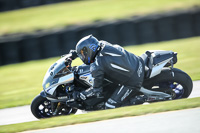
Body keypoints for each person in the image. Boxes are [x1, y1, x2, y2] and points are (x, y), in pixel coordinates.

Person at [68, 35, 146, 109]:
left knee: (110, 105)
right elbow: (92, 47)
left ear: (89, 50)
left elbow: (97, 91)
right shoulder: (103, 44)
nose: (83, 57)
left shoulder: (98, 66)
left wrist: (81, 95)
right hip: (138, 62)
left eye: (83, 54)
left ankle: (139, 99)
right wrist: (75, 53)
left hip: (133, 81)